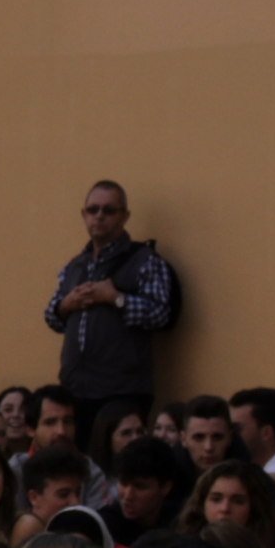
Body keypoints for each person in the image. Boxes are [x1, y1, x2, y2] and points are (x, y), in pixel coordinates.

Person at [45, 179, 179, 419]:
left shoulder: (145, 260)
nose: (99, 216)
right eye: (92, 209)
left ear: (125, 216)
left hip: (123, 392)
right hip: (75, 390)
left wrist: (116, 298)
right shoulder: (75, 265)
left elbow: (161, 313)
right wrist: (66, 305)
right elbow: (52, 318)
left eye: (109, 210)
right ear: (83, 214)